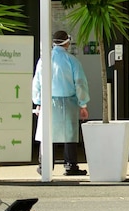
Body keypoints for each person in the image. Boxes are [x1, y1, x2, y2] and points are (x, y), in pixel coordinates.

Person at [32, 30, 90, 175]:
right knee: (69, 135)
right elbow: (80, 83)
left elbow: (37, 83)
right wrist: (83, 104)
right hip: (68, 101)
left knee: (47, 133)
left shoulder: (44, 59)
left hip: (47, 100)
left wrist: (38, 102)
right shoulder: (72, 60)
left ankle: (44, 165)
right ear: (67, 42)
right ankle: (70, 165)